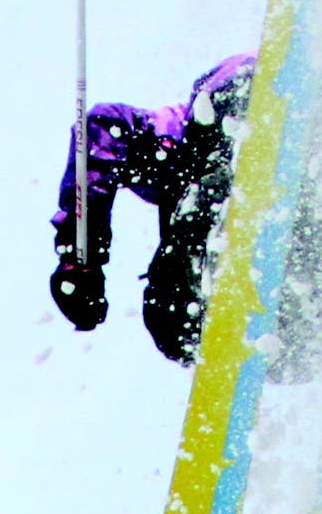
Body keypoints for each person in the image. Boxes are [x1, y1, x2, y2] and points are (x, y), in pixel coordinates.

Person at [48, 55, 253, 361]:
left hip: (233, 102)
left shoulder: (175, 157)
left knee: (170, 314)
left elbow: (104, 126)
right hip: (317, 195)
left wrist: (80, 258)